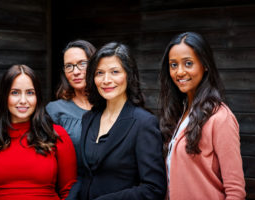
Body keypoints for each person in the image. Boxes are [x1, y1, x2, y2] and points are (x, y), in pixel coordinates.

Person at [159, 32, 246, 199]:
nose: (180, 72)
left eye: (188, 63)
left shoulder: (220, 118)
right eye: (173, 65)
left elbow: (235, 191)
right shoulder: (179, 113)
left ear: (205, 65)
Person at [76, 42, 167, 200]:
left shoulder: (143, 123)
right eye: (99, 73)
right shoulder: (89, 118)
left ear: (128, 75)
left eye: (115, 72)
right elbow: (83, 176)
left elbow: (153, 188)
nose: (106, 80)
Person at [0, 65, 77, 200]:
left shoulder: (56, 135)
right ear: (5, 96)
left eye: (30, 93)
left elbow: (69, 192)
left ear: (37, 97)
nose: (23, 100)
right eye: (15, 92)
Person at [46, 40, 96, 178]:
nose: (75, 72)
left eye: (82, 64)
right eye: (69, 66)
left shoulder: (109, 106)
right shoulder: (54, 110)